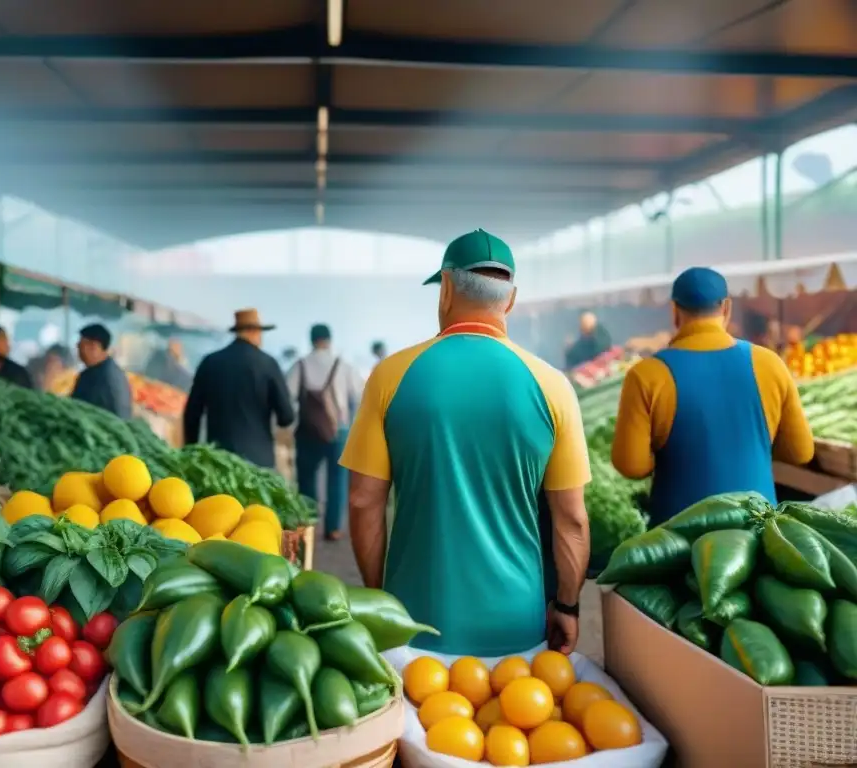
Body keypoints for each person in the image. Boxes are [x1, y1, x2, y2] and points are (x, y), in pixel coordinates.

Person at [341, 229, 591, 656]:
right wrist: (567, 605)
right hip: (517, 630)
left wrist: (379, 601)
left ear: (447, 289)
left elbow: (365, 502)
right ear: (510, 300)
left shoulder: (392, 376)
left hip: (414, 627)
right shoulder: (553, 386)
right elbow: (571, 521)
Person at [611, 267, 815, 525]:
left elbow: (631, 466)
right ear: (726, 308)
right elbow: (801, 452)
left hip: (677, 542)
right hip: (757, 534)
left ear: (674, 311)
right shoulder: (768, 363)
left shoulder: (646, 375)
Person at [184, 309, 294, 468]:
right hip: (259, 463)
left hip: (218, 459)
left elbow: (192, 414)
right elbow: (287, 417)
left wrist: (191, 449)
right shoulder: (269, 364)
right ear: (253, 331)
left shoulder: (210, 362)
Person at [286, 324, 366, 541]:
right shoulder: (344, 366)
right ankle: (333, 528)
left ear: (311, 340)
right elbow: (358, 397)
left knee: (306, 479)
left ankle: (308, 524)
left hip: (306, 432)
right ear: (329, 340)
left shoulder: (299, 365)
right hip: (338, 431)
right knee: (337, 480)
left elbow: (288, 397)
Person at [71, 324, 133, 419]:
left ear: (94, 346)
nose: (78, 350)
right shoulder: (90, 372)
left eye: (80, 346)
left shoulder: (110, 377)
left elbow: (119, 417)